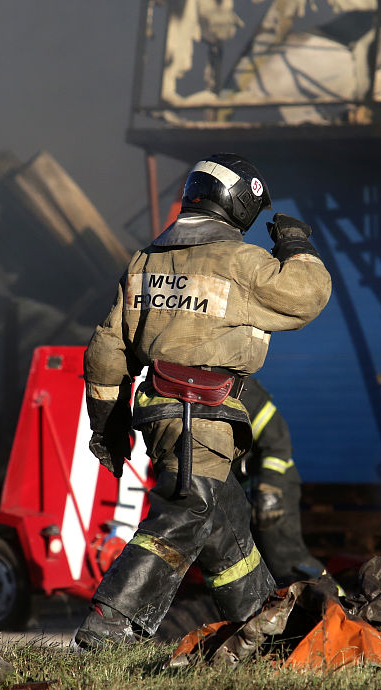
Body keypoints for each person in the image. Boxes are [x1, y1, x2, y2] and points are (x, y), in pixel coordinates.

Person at [74, 153, 331, 648]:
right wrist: (296, 244)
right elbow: (306, 295)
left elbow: (107, 350)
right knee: (189, 506)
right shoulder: (241, 262)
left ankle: (260, 628)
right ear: (237, 206)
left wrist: (107, 422)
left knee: (227, 524)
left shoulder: (146, 261)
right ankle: (111, 622)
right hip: (202, 412)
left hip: (161, 410)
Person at [236, 376, 327, 584]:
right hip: (250, 491)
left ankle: (340, 606)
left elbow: (278, 443)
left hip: (274, 487)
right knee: (265, 567)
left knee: (287, 560)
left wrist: (269, 489)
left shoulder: (239, 387)